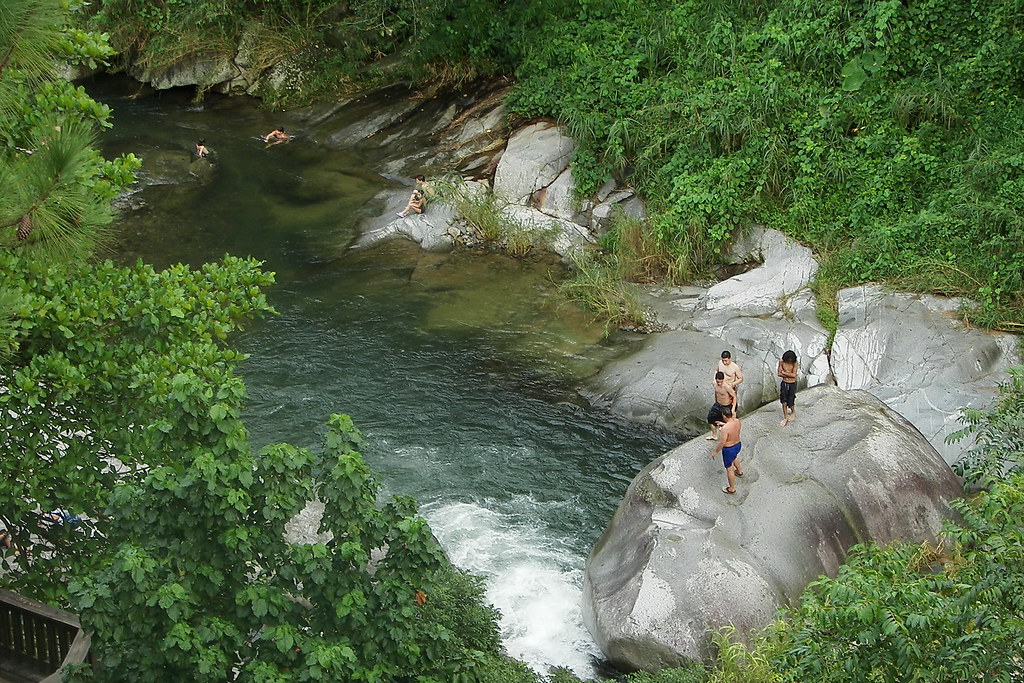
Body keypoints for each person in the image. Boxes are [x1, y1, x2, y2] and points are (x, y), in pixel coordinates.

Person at [712, 405, 744, 495]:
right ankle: (739, 472)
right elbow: (732, 426)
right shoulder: (737, 421)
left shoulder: (725, 429)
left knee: (729, 468)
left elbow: (722, 442)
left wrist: (715, 452)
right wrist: (723, 424)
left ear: (724, 416)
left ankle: (731, 488)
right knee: (734, 457)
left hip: (729, 449)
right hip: (737, 445)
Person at [706, 371, 736, 440]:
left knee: (728, 423)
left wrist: (733, 408)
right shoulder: (714, 384)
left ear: (723, 380)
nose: (719, 383)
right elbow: (716, 394)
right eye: (718, 382)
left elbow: (734, 396)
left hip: (726, 406)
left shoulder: (727, 387)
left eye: (721, 382)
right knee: (710, 418)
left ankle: (730, 437)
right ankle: (714, 435)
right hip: (717, 405)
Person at [716, 350, 744, 415]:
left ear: (729, 358)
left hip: (730, 387)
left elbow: (741, 379)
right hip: (721, 386)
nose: (724, 362)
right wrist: (715, 380)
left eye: (726, 361)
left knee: (731, 406)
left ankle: (733, 416)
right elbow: (716, 371)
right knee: (720, 402)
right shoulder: (720, 363)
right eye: (723, 360)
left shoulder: (735, 367)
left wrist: (732, 384)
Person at [777, 349, 798, 426]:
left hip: (792, 383)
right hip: (784, 383)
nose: (789, 361)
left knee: (791, 400)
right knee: (784, 401)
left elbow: (794, 375)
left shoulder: (795, 363)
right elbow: (779, 373)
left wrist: (784, 373)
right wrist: (788, 374)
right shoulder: (781, 362)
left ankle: (793, 412)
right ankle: (785, 417)